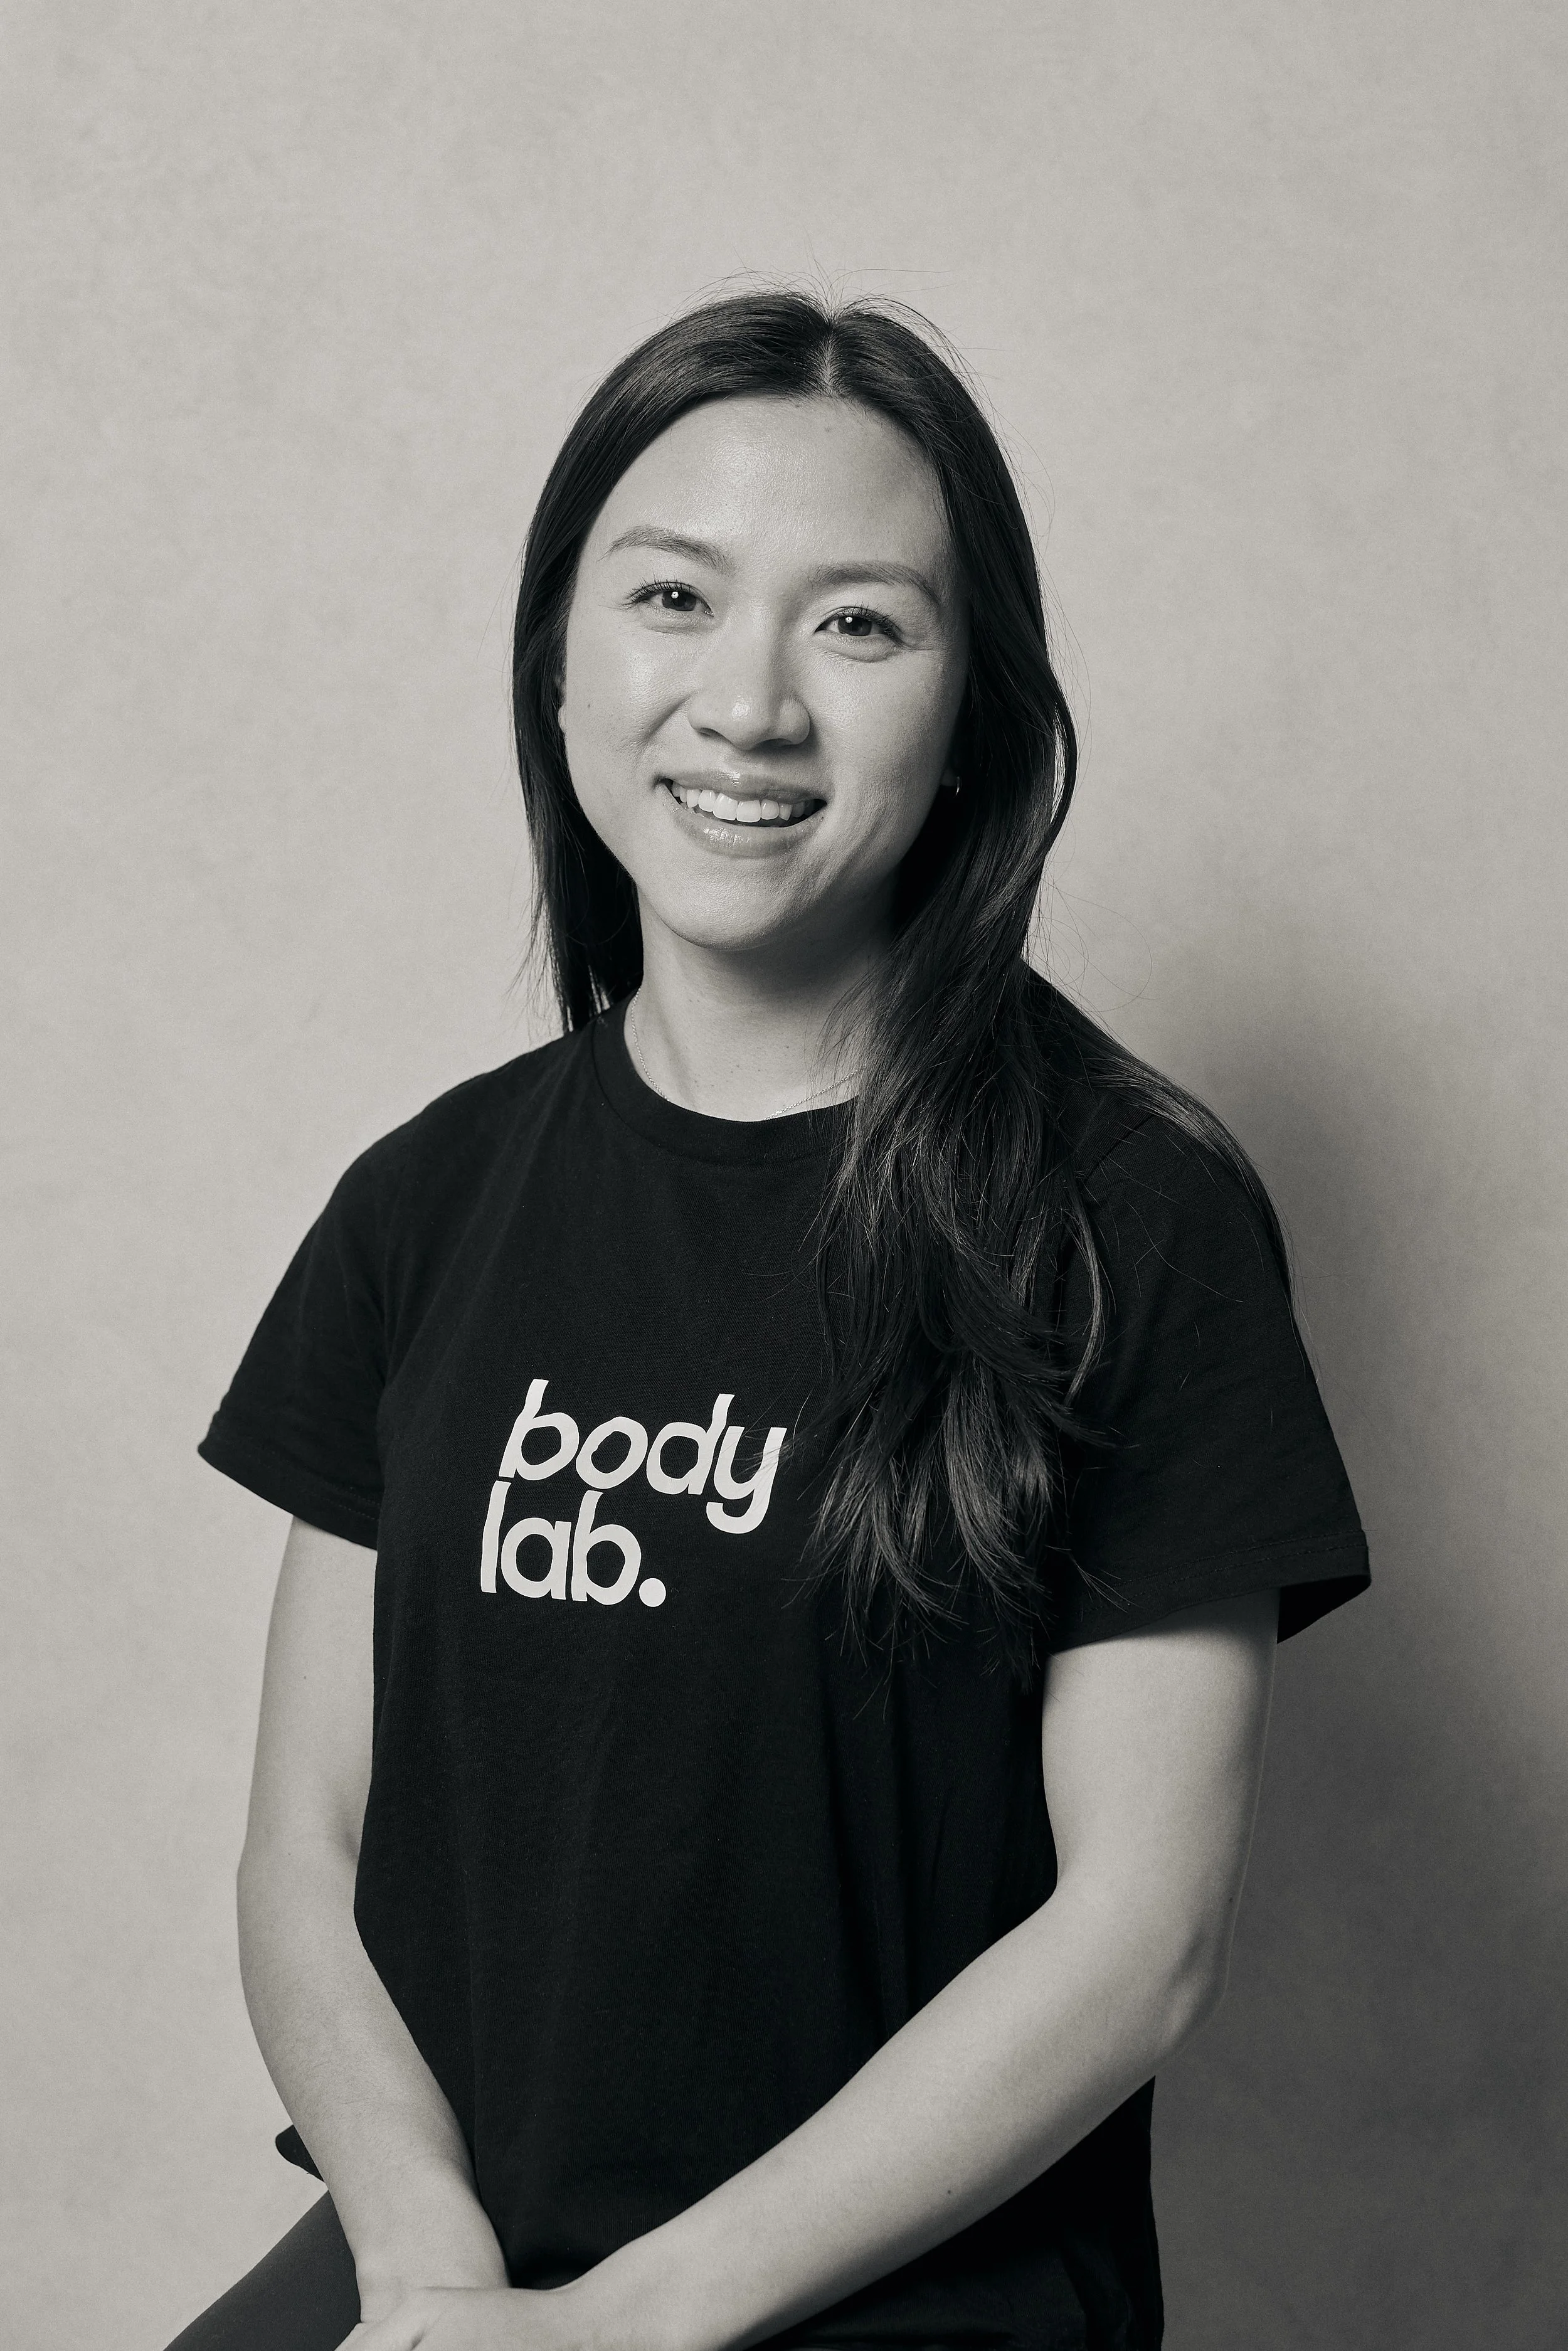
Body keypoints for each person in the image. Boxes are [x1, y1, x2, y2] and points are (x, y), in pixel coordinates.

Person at [169, 290, 1369, 2351]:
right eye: (672, 595)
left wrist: (624, 2327)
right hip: (461, 2268)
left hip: (903, 2292)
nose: (748, 703)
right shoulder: (420, 1205)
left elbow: (1137, 1941)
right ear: (559, 657)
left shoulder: (1127, 1221)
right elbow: (306, 1847)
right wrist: (433, 2269)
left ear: (973, 708)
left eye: (859, 625)